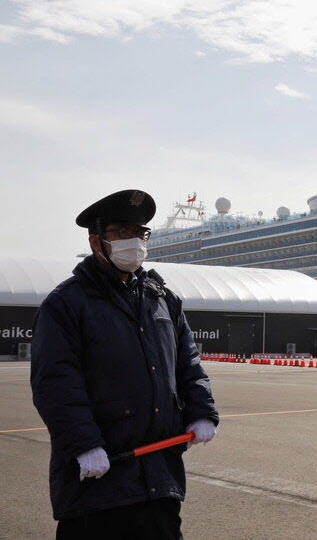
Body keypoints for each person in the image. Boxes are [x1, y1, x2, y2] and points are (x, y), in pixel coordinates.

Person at [30, 189, 219, 539]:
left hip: (159, 476)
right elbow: (55, 383)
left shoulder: (163, 300)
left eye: (140, 233)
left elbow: (188, 364)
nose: (133, 241)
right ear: (96, 240)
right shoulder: (66, 304)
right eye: (121, 232)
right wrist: (83, 445)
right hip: (98, 479)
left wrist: (202, 411)